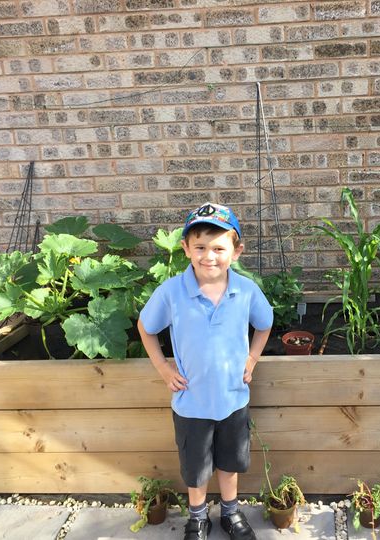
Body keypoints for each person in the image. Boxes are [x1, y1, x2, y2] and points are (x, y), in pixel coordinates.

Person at [138, 202, 273, 540]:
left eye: (218, 248)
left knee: (230, 463)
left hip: (233, 399)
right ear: (186, 248)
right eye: (200, 247)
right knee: (196, 469)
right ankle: (198, 517)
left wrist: (252, 359)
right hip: (191, 402)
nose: (209, 256)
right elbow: (146, 326)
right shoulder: (172, 292)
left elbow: (265, 324)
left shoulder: (246, 291)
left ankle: (230, 512)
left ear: (236, 251)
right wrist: (162, 366)